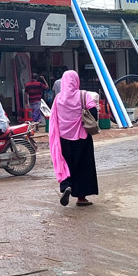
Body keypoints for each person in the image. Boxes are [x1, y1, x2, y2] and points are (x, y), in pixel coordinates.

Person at [49, 71, 99, 207]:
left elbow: (54, 119)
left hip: (64, 139)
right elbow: (93, 113)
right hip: (82, 137)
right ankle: (81, 198)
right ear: (77, 81)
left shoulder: (58, 98)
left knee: (67, 165)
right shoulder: (83, 95)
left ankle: (66, 186)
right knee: (83, 167)